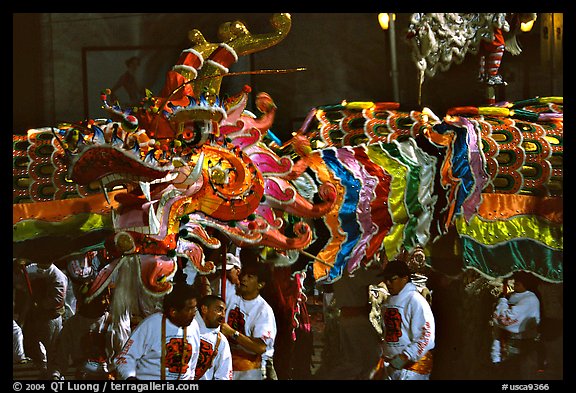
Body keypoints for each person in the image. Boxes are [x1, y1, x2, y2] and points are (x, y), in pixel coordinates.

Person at [114, 282, 201, 380]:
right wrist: (130, 378)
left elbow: (193, 362)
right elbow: (125, 358)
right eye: (190, 308)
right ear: (173, 312)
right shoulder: (151, 324)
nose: (194, 313)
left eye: (195, 308)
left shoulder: (194, 326)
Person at [220, 255, 277, 380]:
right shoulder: (231, 295)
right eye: (244, 275)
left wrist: (232, 333)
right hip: (226, 363)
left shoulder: (263, 311)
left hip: (250, 369)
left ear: (260, 285)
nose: (244, 279)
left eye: (250, 277)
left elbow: (260, 347)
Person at [376, 259, 435, 380]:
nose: (388, 283)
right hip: (391, 368)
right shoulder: (388, 302)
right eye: (386, 279)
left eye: (392, 279)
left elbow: (426, 335)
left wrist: (406, 356)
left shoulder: (416, 300)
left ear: (405, 278)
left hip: (412, 370)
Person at [16, 258, 68, 379]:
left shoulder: (58, 276)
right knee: (31, 342)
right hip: (34, 316)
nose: (41, 265)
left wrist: (41, 304)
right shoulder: (31, 269)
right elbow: (20, 282)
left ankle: (55, 374)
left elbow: (59, 300)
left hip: (51, 318)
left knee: (52, 347)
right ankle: (43, 368)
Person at [51, 284, 114, 380]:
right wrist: (55, 375)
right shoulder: (73, 324)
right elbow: (60, 356)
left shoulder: (112, 322)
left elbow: (124, 357)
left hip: (108, 375)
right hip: (83, 375)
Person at [491, 270, 541, 379]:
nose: (514, 286)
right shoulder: (515, 296)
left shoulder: (530, 300)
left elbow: (507, 318)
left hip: (523, 345)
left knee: (521, 374)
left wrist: (502, 302)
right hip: (511, 344)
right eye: (514, 283)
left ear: (526, 285)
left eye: (517, 284)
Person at [194, 295, 233, 380]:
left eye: (224, 311)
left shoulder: (221, 341)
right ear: (204, 309)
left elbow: (224, 375)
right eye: (219, 310)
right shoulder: (185, 328)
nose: (223, 315)